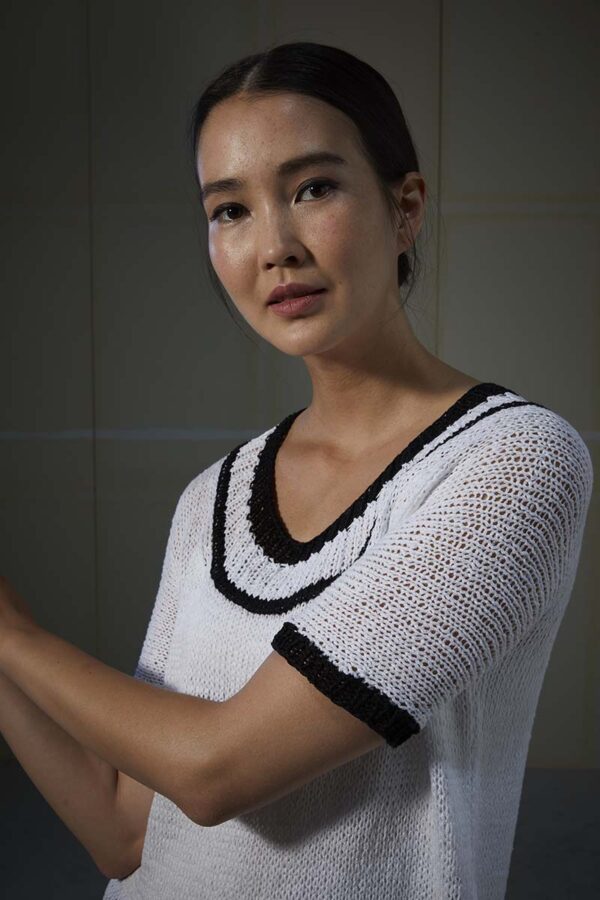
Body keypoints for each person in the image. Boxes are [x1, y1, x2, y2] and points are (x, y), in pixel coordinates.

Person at [0, 41, 593, 900]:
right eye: (230, 210)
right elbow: (122, 830)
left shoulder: (513, 463)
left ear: (405, 208)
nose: (274, 247)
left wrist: (15, 639)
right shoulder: (211, 498)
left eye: (313, 188)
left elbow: (216, 771)